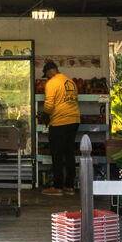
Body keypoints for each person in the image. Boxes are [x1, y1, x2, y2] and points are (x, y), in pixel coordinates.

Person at [40, 60, 81, 195]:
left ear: (49, 71)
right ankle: (69, 186)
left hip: (60, 122)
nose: (46, 77)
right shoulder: (70, 81)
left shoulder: (52, 83)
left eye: (46, 74)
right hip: (74, 120)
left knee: (57, 154)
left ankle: (57, 187)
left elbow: (49, 104)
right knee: (69, 153)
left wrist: (45, 115)